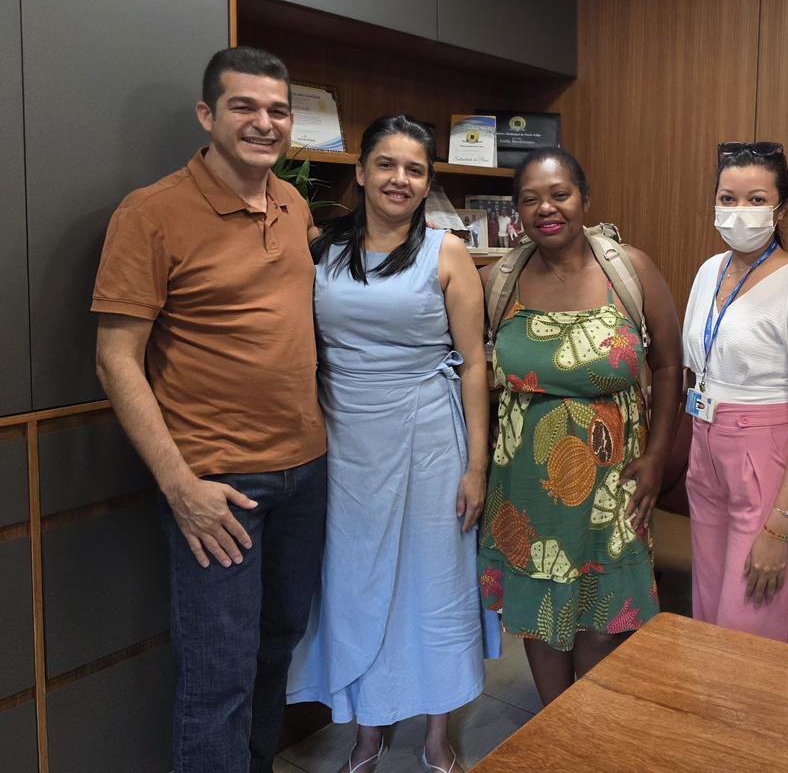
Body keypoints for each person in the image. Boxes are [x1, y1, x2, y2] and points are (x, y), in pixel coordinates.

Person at [92, 46, 327, 773]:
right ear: (207, 114)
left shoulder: (292, 204)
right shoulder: (151, 213)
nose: (264, 122)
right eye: (243, 106)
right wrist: (180, 487)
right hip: (220, 486)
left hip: (305, 473)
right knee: (218, 675)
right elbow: (116, 360)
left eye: (278, 110)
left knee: (276, 650)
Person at [287, 115, 489, 773]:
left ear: (428, 183)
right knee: (353, 582)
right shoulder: (321, 248)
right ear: (361, 170)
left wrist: (477, 467)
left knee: (435, 583)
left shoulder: (447, 252)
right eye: (386, 164)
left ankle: (436, 732)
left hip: (429, 439)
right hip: (344, 441)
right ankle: (367, 730)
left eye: (415, 169)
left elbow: (474, 365)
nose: (399, 179)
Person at [477, 147, 682, 706]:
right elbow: (466, 369)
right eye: (530, 199)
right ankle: (554, 721)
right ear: (517, 211)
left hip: (614, 482)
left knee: (601, 618)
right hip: (525, 485)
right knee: (540, 616)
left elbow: (669, 366)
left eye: (560, 194)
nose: (546, 208)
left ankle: (589, 727)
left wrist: (657, 457)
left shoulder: (629, 270)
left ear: (584, 199)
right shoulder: (499, 280)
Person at [682, 141, 788, 644]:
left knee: (750, 633)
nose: (740, 211)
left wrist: (779, 529)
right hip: (705, 453)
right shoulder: (708, 272)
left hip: (768, 462)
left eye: (756, 199)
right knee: (709, 618)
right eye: (728, 199)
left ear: (781, 207)